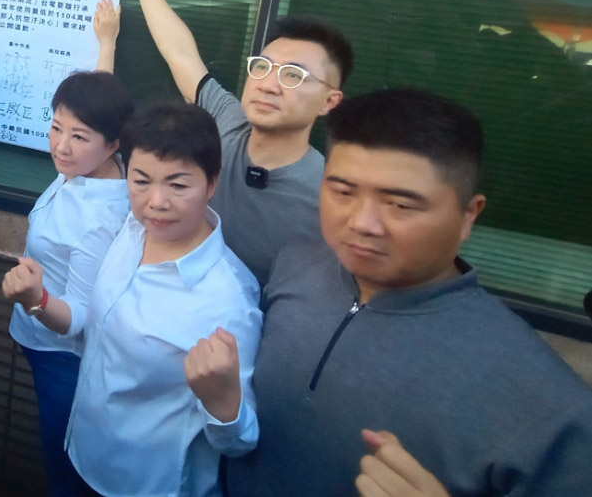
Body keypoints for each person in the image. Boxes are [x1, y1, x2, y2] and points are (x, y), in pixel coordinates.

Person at [223, 88, 592, 496]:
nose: (363, 222)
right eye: (343, 192)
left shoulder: (550, 408)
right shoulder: (295, 268)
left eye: (400, 204)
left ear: (468, 215)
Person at [122, 0, 353, 285]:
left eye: (293, 75)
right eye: (262, 67)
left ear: (329, 101)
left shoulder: (329, 194)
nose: (268, 83)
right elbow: (181, 54)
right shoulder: (228, 121)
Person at [64, 102, 262, 497]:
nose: (156, 201)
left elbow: (240, 442)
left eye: (177, 184)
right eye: (140, 181)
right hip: (84, 451)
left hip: (149, 482)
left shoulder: (228, 299)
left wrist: (224, 404)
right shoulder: (133, 230)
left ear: (212, 183)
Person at [0, 67, 134, 497]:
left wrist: (34, 298)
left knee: (66, 468)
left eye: (79, 136)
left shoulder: (100, 219)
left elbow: (78, 316)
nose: (61, 144)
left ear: (114, 144)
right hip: (41, 343)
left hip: (62, 357)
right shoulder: (92, 169)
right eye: (57, 127)